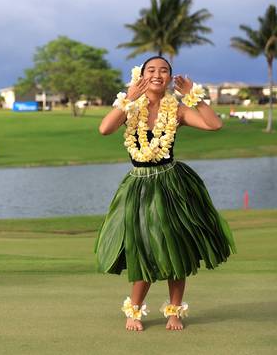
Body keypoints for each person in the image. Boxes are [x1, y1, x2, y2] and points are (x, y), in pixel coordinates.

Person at [95, 56, 235, 331]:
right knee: (144, 247)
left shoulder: (178, 110)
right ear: (141, 75)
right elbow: (104, 129)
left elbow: (214, 125)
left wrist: (194, 97)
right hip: (140, 187)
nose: (157, 74)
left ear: (170, 78)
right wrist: (128, 98)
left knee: (176, 246)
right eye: (151, 70)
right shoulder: (130, 106)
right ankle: (133, 311)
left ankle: (174, 312)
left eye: (164, 70)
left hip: (172, 186)